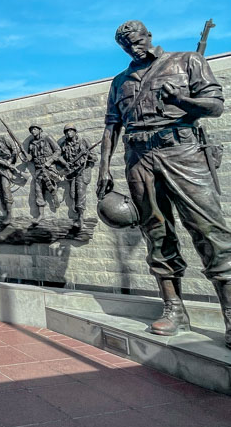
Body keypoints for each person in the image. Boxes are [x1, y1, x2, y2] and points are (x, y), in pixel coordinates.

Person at [96, 20, 231, 341]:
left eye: (136, 40)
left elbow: (215, 107)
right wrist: (103, 168)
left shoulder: (187, 61)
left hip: (182, 151)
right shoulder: (120, 81)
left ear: (149, 36)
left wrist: (183, 101)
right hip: (138, 158)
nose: (133, 47)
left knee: (209, 228)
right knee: (156, 232)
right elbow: (111, 127)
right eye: (125, 45)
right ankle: (174, 309)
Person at [58, 124, 95, 229]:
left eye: (70, 131)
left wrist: (87, 155)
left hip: (82, 171)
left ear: (75, 131)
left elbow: (94, 157)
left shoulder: (84, 141)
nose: (68, 133)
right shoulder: (64, 144)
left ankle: (81, 218)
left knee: (80, 193)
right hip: (72, 172)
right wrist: (65, 163)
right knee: (72, 194)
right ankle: (76, 213)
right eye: (66, 131)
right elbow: (58, 156)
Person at [24, 124, 59, 223]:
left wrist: (50, 161)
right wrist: (27, 156)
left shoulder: (48, 138)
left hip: (49, 167)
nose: (33, 131)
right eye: (31, 130)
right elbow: (30, 157)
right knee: (38, 191)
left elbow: (58, 150)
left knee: (51, 185)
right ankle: (41, 215)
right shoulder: (31, 143)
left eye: (35, 129)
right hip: (38, 169)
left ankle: (54, 195)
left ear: (40, 130)